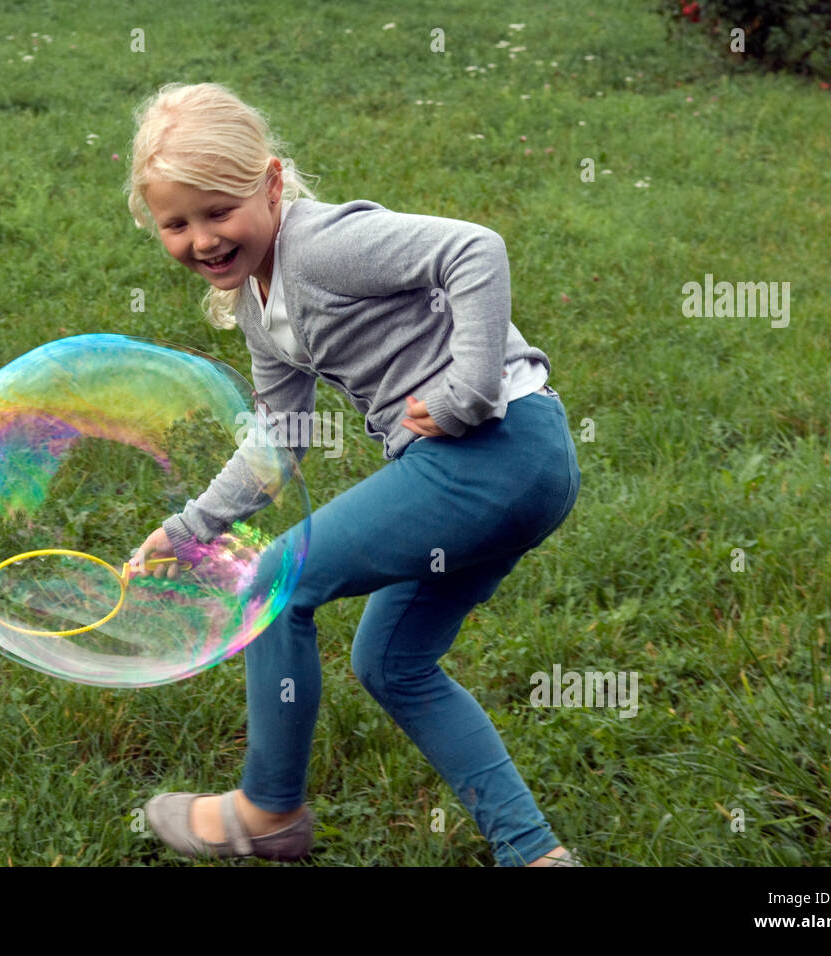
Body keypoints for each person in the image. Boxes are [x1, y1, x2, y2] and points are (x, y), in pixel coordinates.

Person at [122, 82, 582, 866]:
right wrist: (190, 527)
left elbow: (475, 249)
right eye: (177, 223)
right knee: (392, 662)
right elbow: (280, 437)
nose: (202, 239)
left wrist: (468, 388)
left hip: (497, 448)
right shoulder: (254, 305)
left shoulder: (324, 246)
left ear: (271, 184)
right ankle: (533, 854)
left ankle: (267, 810)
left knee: (276, 585)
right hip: (510, 467)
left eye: (218, 210)